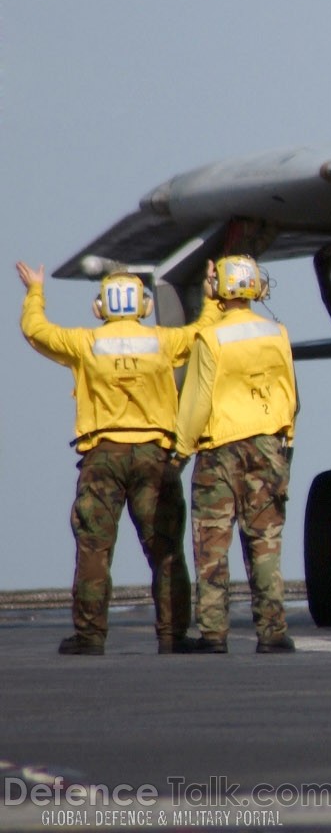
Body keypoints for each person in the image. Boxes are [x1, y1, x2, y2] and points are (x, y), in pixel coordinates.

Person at [16, 260, 219, 655]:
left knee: (94, 548)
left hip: (102, 458)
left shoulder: (86, 344)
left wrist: (35, 292)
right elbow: (203, 334)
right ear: (143, 307)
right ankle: (173, 635)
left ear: (99, 308)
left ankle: (90, 637)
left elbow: (35, 332)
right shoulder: (162, 341)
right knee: (166, 550)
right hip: (153, 458)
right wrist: (210, 299)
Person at [170, 254, 298, 655]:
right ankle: (273, 632)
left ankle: (213, 633)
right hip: (268, 446)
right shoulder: (277, 333)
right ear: (256, 289)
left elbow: (198, 399)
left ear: (218, 290)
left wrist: (179, 450)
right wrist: (285, 439)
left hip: (220, 451)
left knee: (212, 544)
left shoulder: (212, 338)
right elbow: (289, 393)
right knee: (265, 542)